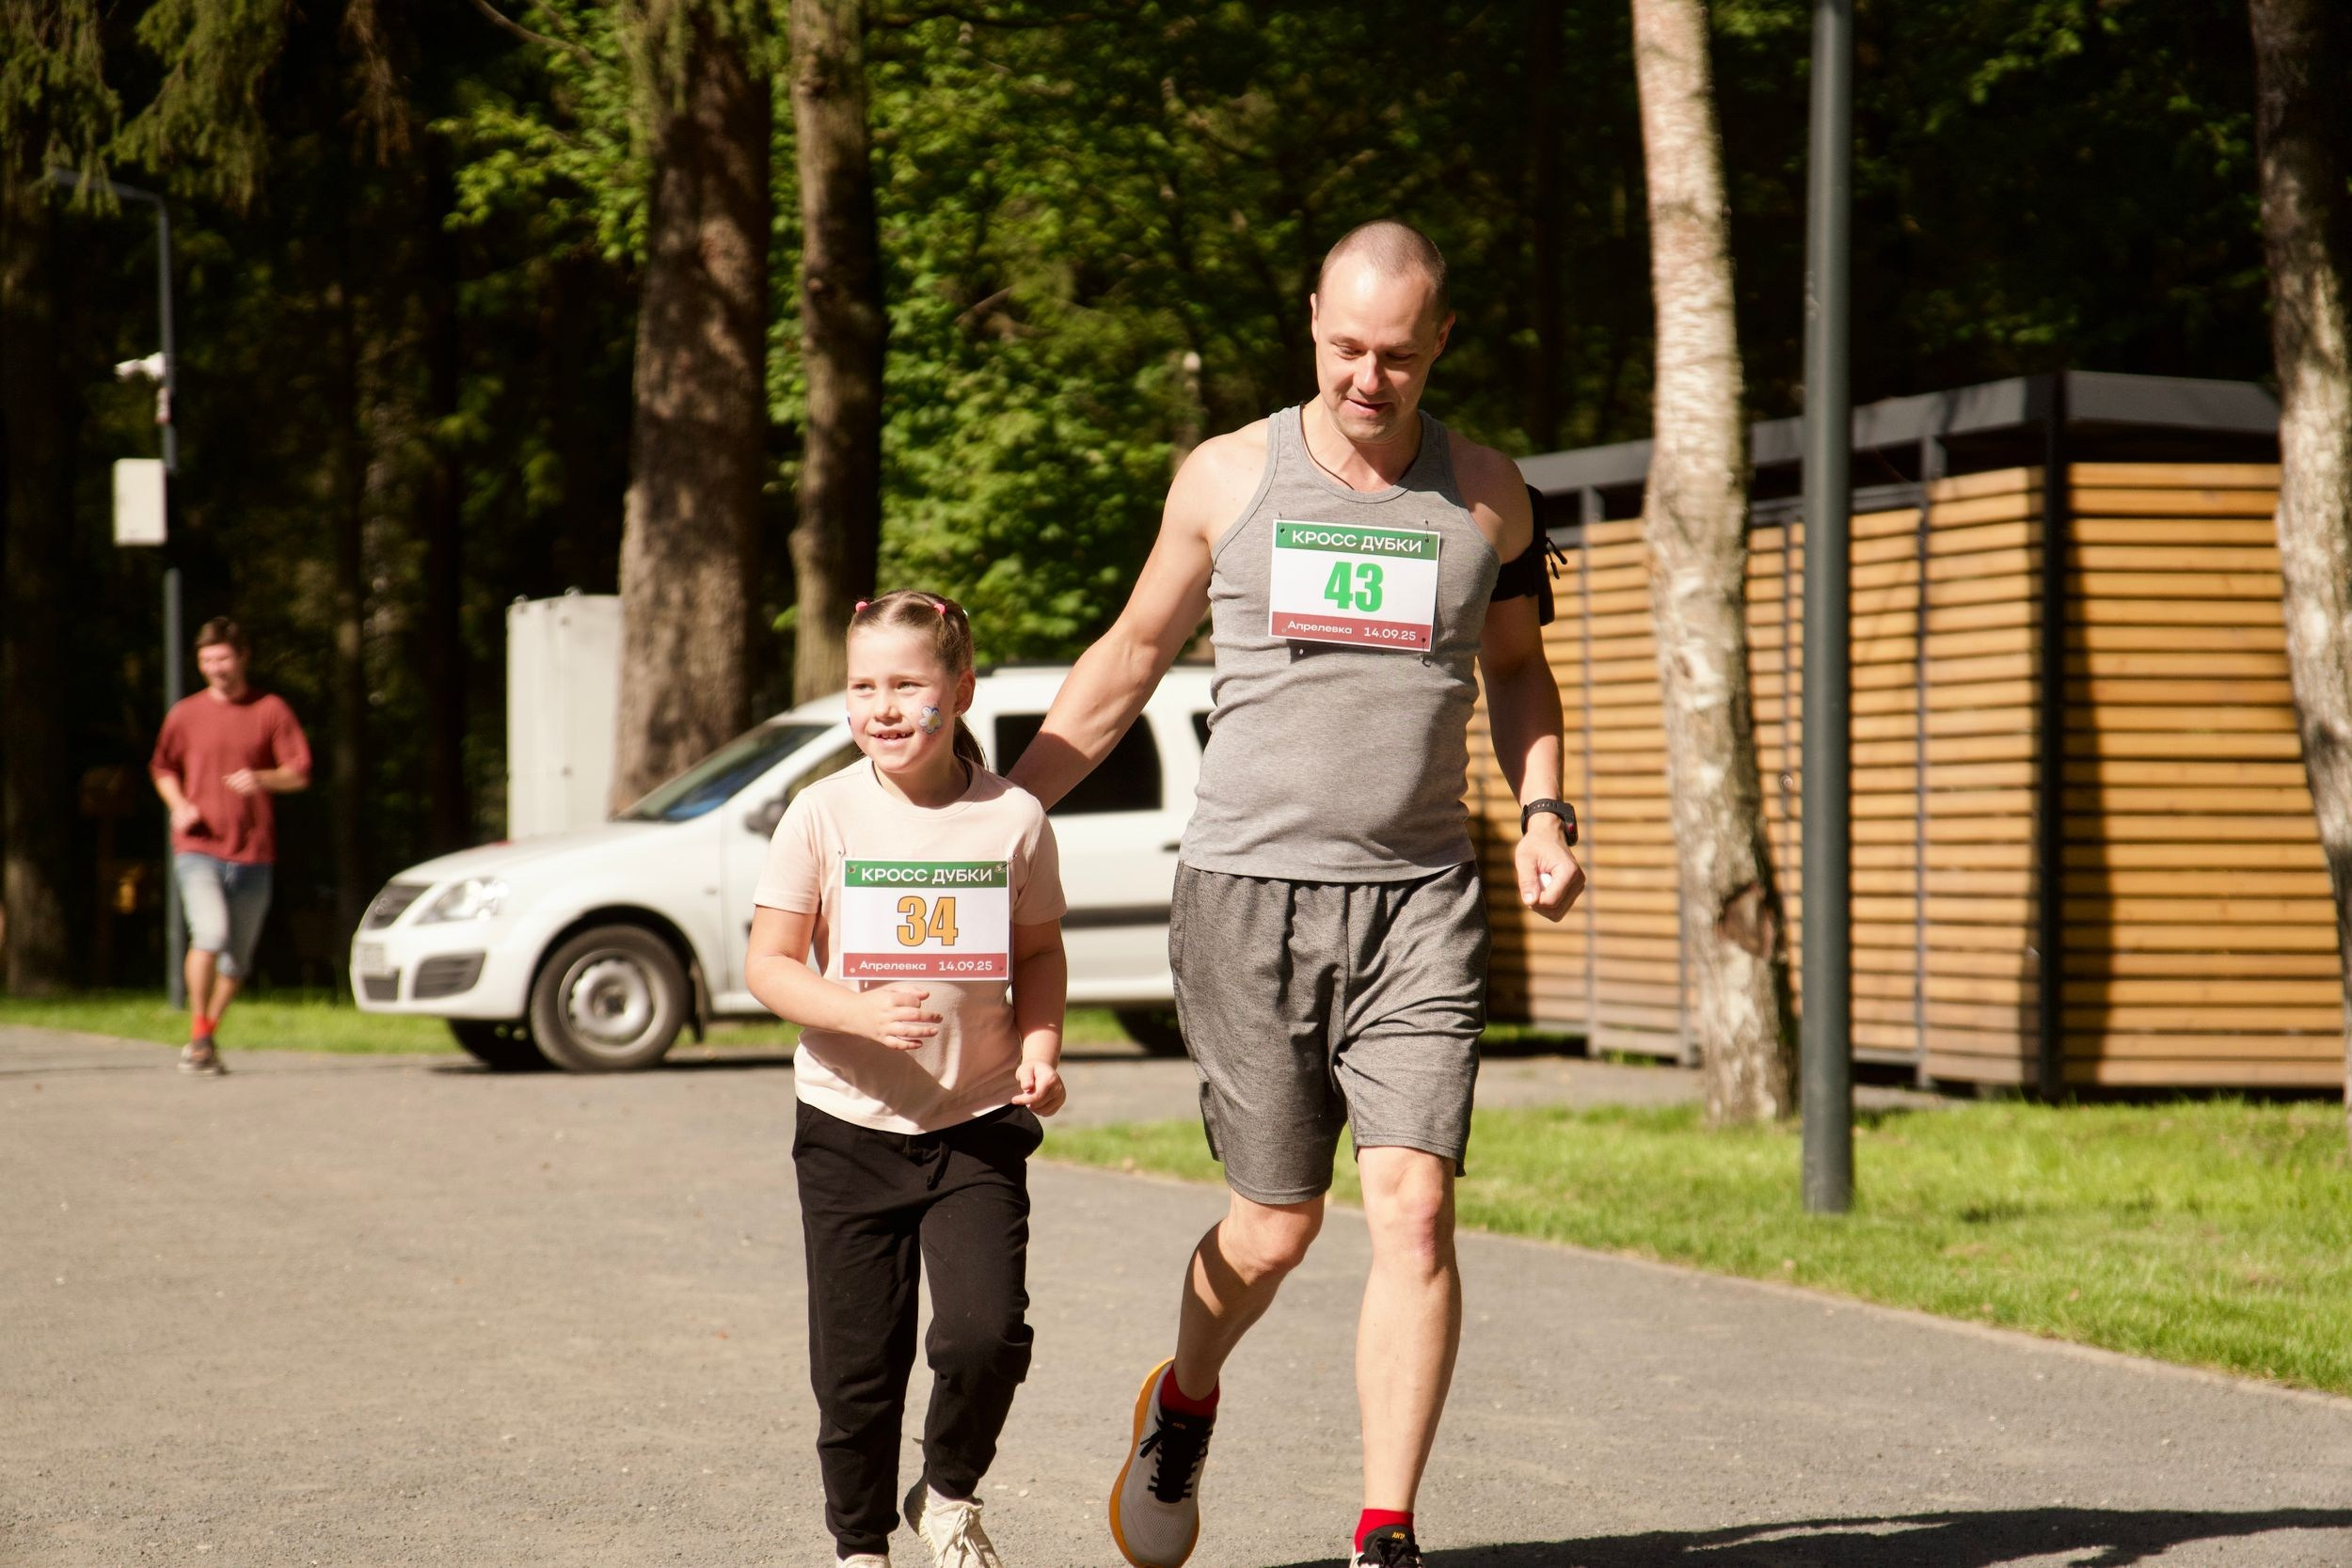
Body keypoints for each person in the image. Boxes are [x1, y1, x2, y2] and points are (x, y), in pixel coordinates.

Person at [1005, 220, 1586, 1568]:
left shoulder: (1491, 494)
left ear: (1442, 339)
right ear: (1310, 319)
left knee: (1415, 1204)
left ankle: (1386, 1527)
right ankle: (1185, 1399)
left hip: (1419, 898)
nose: (1366, 378)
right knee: (1273, 1227)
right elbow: (1129, 655)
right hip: (1248, 895)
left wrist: (1545, 808)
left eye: (1395, 354)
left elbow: (1518, 673)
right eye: (1343, 346)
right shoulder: (1226, 476)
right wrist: (1004, 810)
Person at [744, 590, 1070, 1568]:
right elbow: (769, 962)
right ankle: (860, 1547)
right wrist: (856, 1011)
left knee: (982, 1334)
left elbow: (1041, 950)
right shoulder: (822, 811)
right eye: (861, 686)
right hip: (847, 1125)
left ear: (960, 689)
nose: (881, 706)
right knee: (856, 1370)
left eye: (906, 684)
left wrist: (1042, 1044)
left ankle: (950, 1486)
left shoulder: (1011, 815)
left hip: (974, 1119)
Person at [148, 618, 312, 1075]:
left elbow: (298, 773)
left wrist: (261, 778)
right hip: (197, 847)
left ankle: (205, 1036)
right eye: (206, 660)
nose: (215, 668)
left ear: (243, 658)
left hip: (253, 852)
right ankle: (199, 1033)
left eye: (222, 658)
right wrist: (179, 805)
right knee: (211, 934)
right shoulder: (184, 714)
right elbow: (162, 767)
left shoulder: (271, 710)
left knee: (237, 959)